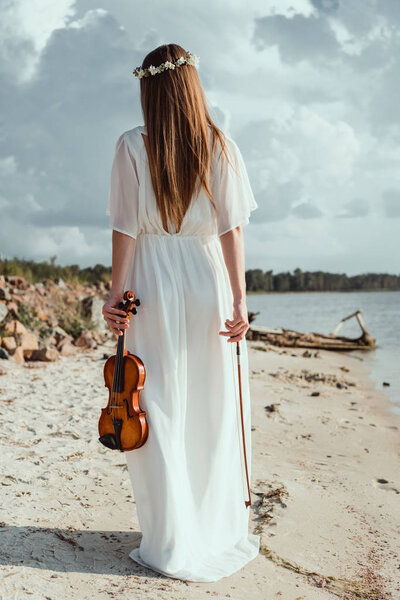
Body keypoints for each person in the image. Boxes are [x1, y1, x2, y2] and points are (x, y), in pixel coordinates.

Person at [102, 43, 259, 583]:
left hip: (150, 280)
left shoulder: (129, 146)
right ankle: (211, 529)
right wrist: (239, 301)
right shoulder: (221, 145)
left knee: (157, 404)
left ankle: (171, 537)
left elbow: (125, 227)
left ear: (148, 88)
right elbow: (232, 230)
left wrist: (115, 296)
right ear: (192, 87)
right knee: (212, 404)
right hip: (205, 278)